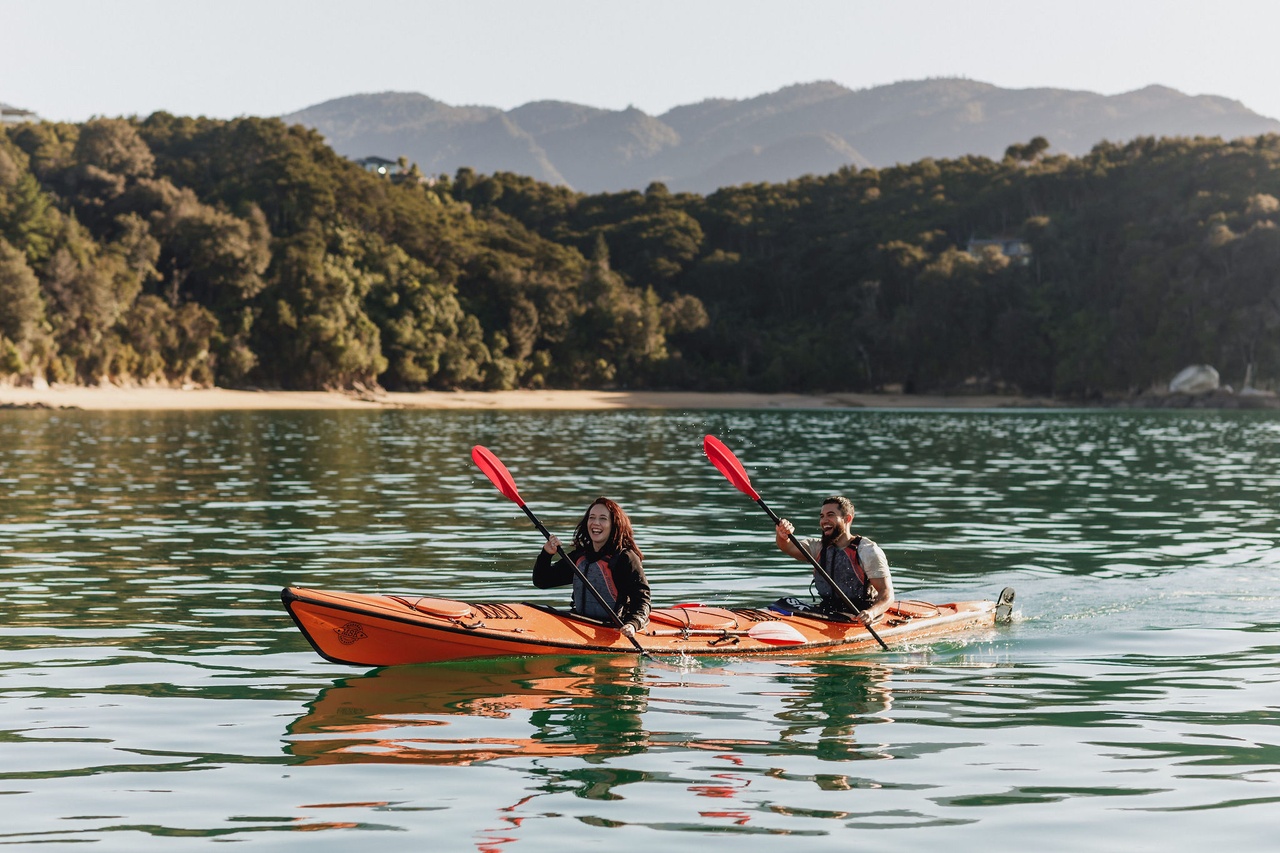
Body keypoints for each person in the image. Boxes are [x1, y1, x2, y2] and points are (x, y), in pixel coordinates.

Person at [534, 497, 651, 638]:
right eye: (592, 517)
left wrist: (633, 624)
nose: (596, 523)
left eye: (603, 518)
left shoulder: (625, 558)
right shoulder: (580, 557)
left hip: (613, 628)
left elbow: (642, 600)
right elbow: (542, 581)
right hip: (581, 622)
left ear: (614, 524)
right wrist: (546, 554)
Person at [774, 495, 894, 625]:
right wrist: (782, 535)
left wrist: (871, 612)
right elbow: (788, 546)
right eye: (822, 516)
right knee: (784, 602)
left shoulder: (867, 551)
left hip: (859, 615)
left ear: (847, 518)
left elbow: (886, 593)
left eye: (830, 515)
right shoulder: (818, 547)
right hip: (827, 612)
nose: (824, 520)